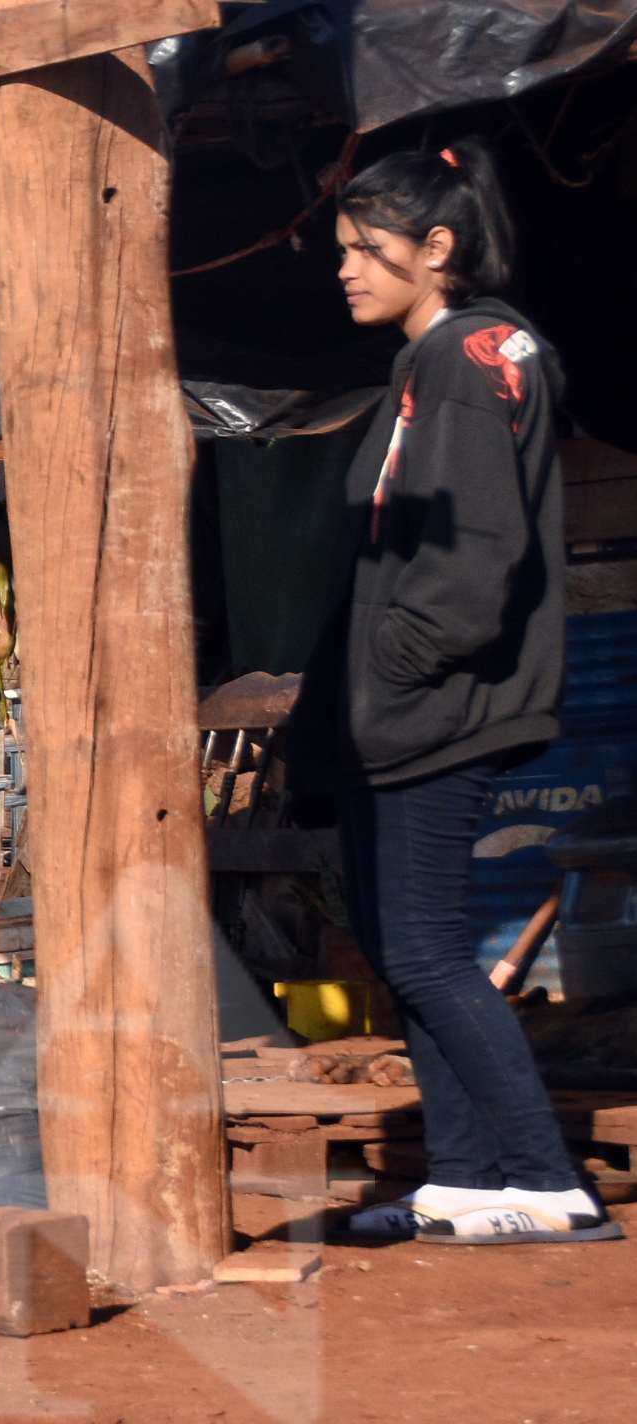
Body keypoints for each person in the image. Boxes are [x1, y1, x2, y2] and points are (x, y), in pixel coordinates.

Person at [320, 142, 615, 1245]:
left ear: (436, 247)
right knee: (409, 948)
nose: (344, 268)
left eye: (366, 248)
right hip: (412, 708)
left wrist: (397, 664)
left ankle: (544, 1180)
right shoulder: (443, 358)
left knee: (427, 950)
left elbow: (475, 548)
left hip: (438, 706)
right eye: (342, 248)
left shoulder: (465, 356)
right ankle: (462, 1175)